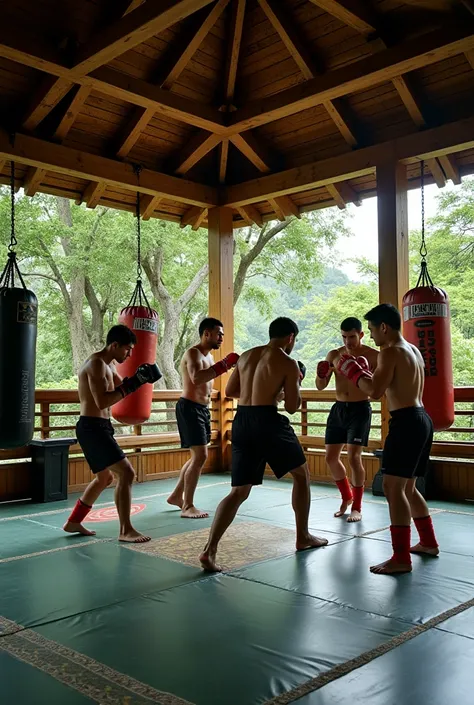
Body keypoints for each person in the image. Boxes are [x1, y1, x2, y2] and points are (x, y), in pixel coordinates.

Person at [199, 317, 328, 572]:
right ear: (290, 337)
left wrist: (268, 392)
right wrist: (291, 386)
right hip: (268, 421)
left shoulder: (246, 356)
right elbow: (292, 407)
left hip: (242, 421)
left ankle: (209, 550)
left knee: (238, 491)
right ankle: (302, 536)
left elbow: (231, 392)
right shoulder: (288, 362)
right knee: (302, 475)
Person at [337, 303, 439, 575]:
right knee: (408, 487)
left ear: (384, 327)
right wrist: (366, 373)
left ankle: (400, 558)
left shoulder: (390, 352)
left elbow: (374, 391)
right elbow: (395, 383)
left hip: (406, 422)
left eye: (371, 329)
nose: (370, 336)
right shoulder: (412, 349)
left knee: (394, 489)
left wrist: (353, 371)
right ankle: (428, 542)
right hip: (421, 418)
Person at [63, 324, 161, 543]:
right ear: (114, 345)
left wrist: (139, 379)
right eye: (127, 349)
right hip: (92, 427)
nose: (130, 354)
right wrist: (132, 385)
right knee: (126, 473)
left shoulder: (108, 365)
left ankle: (74, 521)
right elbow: (103, 401)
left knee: (105, 477)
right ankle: (125, 529)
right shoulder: (96, 364)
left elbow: (121, 389)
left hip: (100, 427)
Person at [167, 317, 239, 518]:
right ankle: (188, 506)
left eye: (223, 335)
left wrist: (223, 366)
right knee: (200, 456)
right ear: (206, 333)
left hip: (201, 409)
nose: (221, 338)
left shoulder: (208, 357)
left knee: (196, 457)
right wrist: (224, 365)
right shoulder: (193, 353)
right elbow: (197, 378)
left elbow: (207, 383)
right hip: (189, 408)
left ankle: (176, 496)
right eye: (219, 334)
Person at [316, 317, 378, 522]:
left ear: (360, 335)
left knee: (353, 457)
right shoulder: (334, 355)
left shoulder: (373, 355)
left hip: (360, 409)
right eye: (344, 337)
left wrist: (367, 373)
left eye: (352, 337)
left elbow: (380, 387)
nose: (348, 342)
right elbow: (320, 386)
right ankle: (346, 498)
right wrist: (321, 374)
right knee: (330, 457)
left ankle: (357, 507)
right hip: (339, 409)